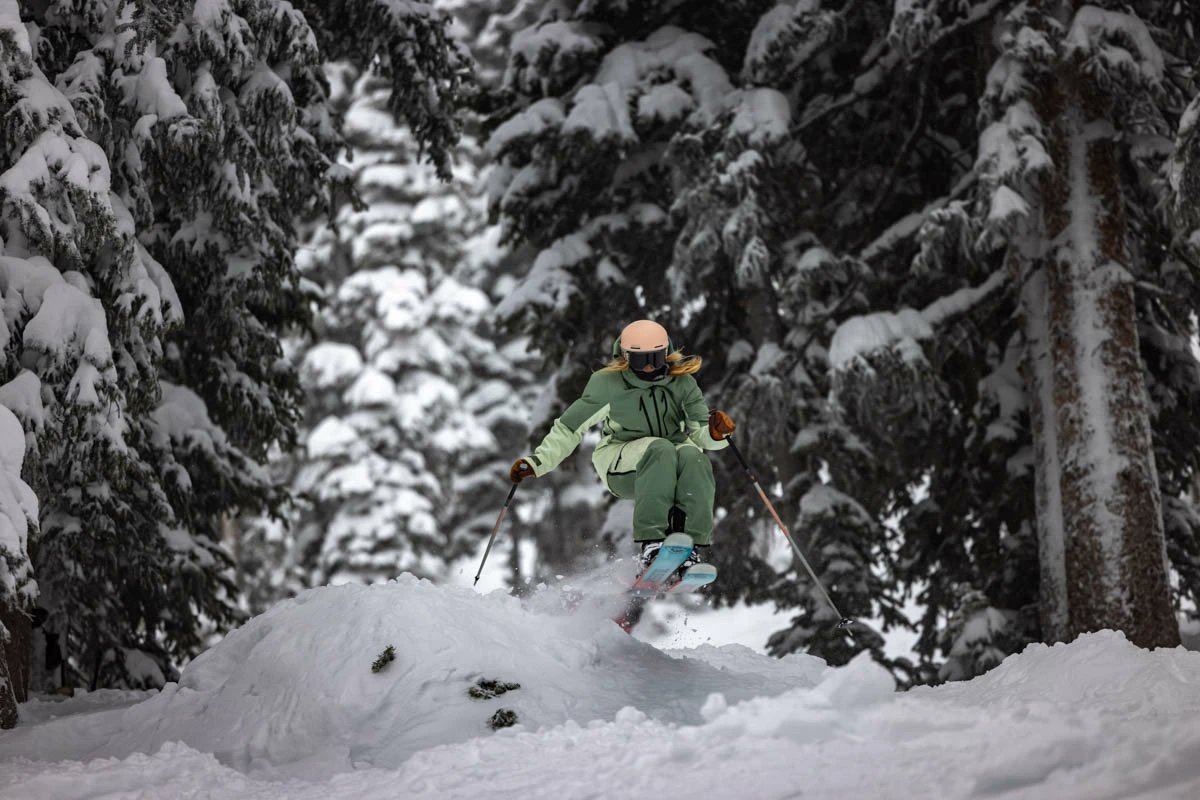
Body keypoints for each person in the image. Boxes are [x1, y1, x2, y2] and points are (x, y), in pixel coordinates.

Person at [509, 319, 736, 576]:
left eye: (655, 357)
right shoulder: (609, 384)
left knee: (694, 456)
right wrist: (538, 462)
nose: (649, 366)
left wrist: (716, 433)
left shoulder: (682, 384)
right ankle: (653, 544)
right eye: (641, 360)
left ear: (666, 353)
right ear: (626, 357)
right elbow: (570, 427)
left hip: (669, 461)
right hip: (622, 465)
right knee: (661, 448)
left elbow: (699, 434)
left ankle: (687, 549)